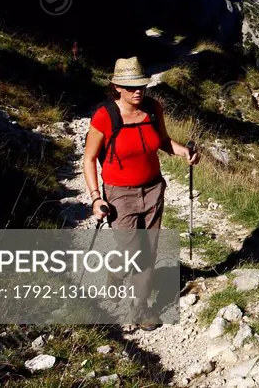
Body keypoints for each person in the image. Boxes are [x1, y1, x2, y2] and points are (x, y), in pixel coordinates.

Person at [82, 56, 198, 329]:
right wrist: (96, 198)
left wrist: (185, 153)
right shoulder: (105, 117)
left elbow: (164, 142)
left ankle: (141, 307)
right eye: (130, 86)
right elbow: (89, 159)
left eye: (141, 85)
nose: (138, 90)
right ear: (117, 87)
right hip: (119, 194)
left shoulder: (153, 109)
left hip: (154, 189)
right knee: (133, 251)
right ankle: (116, 270)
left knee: (148, 250)